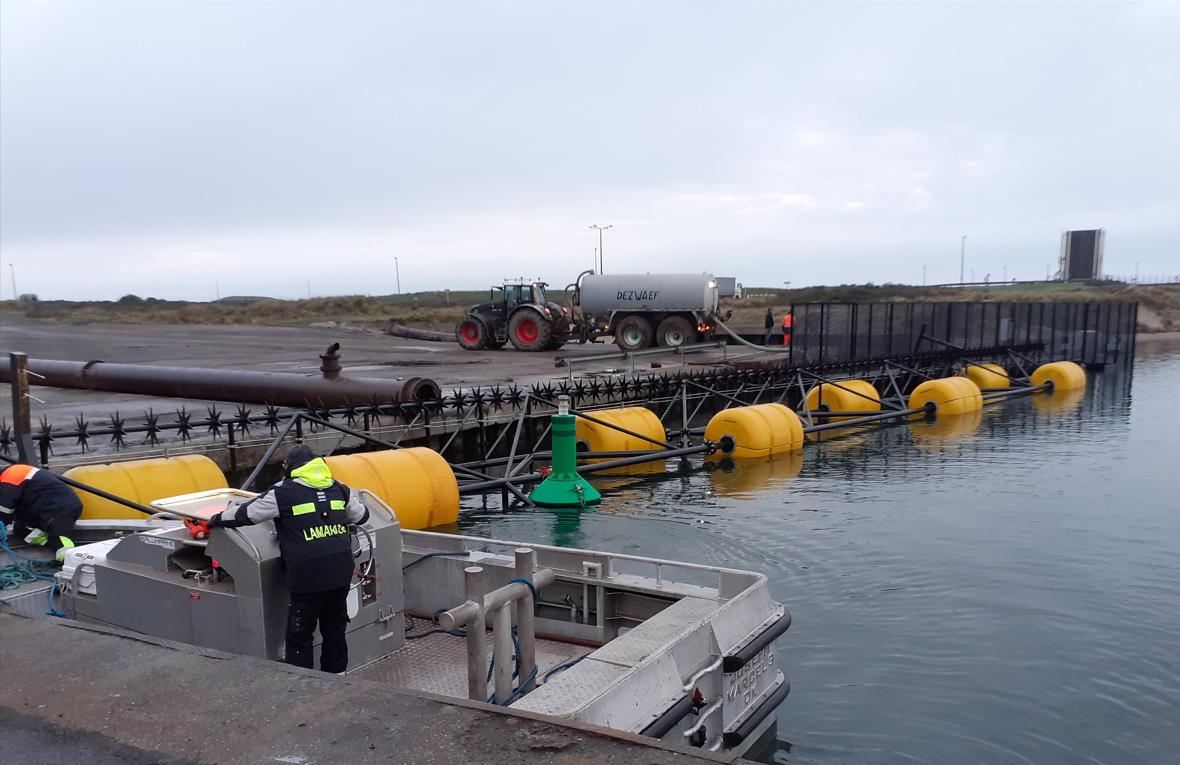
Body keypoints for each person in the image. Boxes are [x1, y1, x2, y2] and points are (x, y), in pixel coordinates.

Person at [196, 445, 369, 673]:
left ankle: (301, 685)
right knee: (335, 628)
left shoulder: (282, 492)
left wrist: (212, 520)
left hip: (308, 574)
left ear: (290, 469)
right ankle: (338, 679)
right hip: (340, 569)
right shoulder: (339, 488)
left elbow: (245, 514)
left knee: (300, 635)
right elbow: (363, 515)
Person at [0, 463, 82, 561]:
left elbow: (5, 508)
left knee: (60, 537)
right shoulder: (10, 476)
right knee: (21, 529)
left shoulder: (11, 476)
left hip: (60, 507)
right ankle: (51, 543)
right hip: (44, 508)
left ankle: (71, 561)